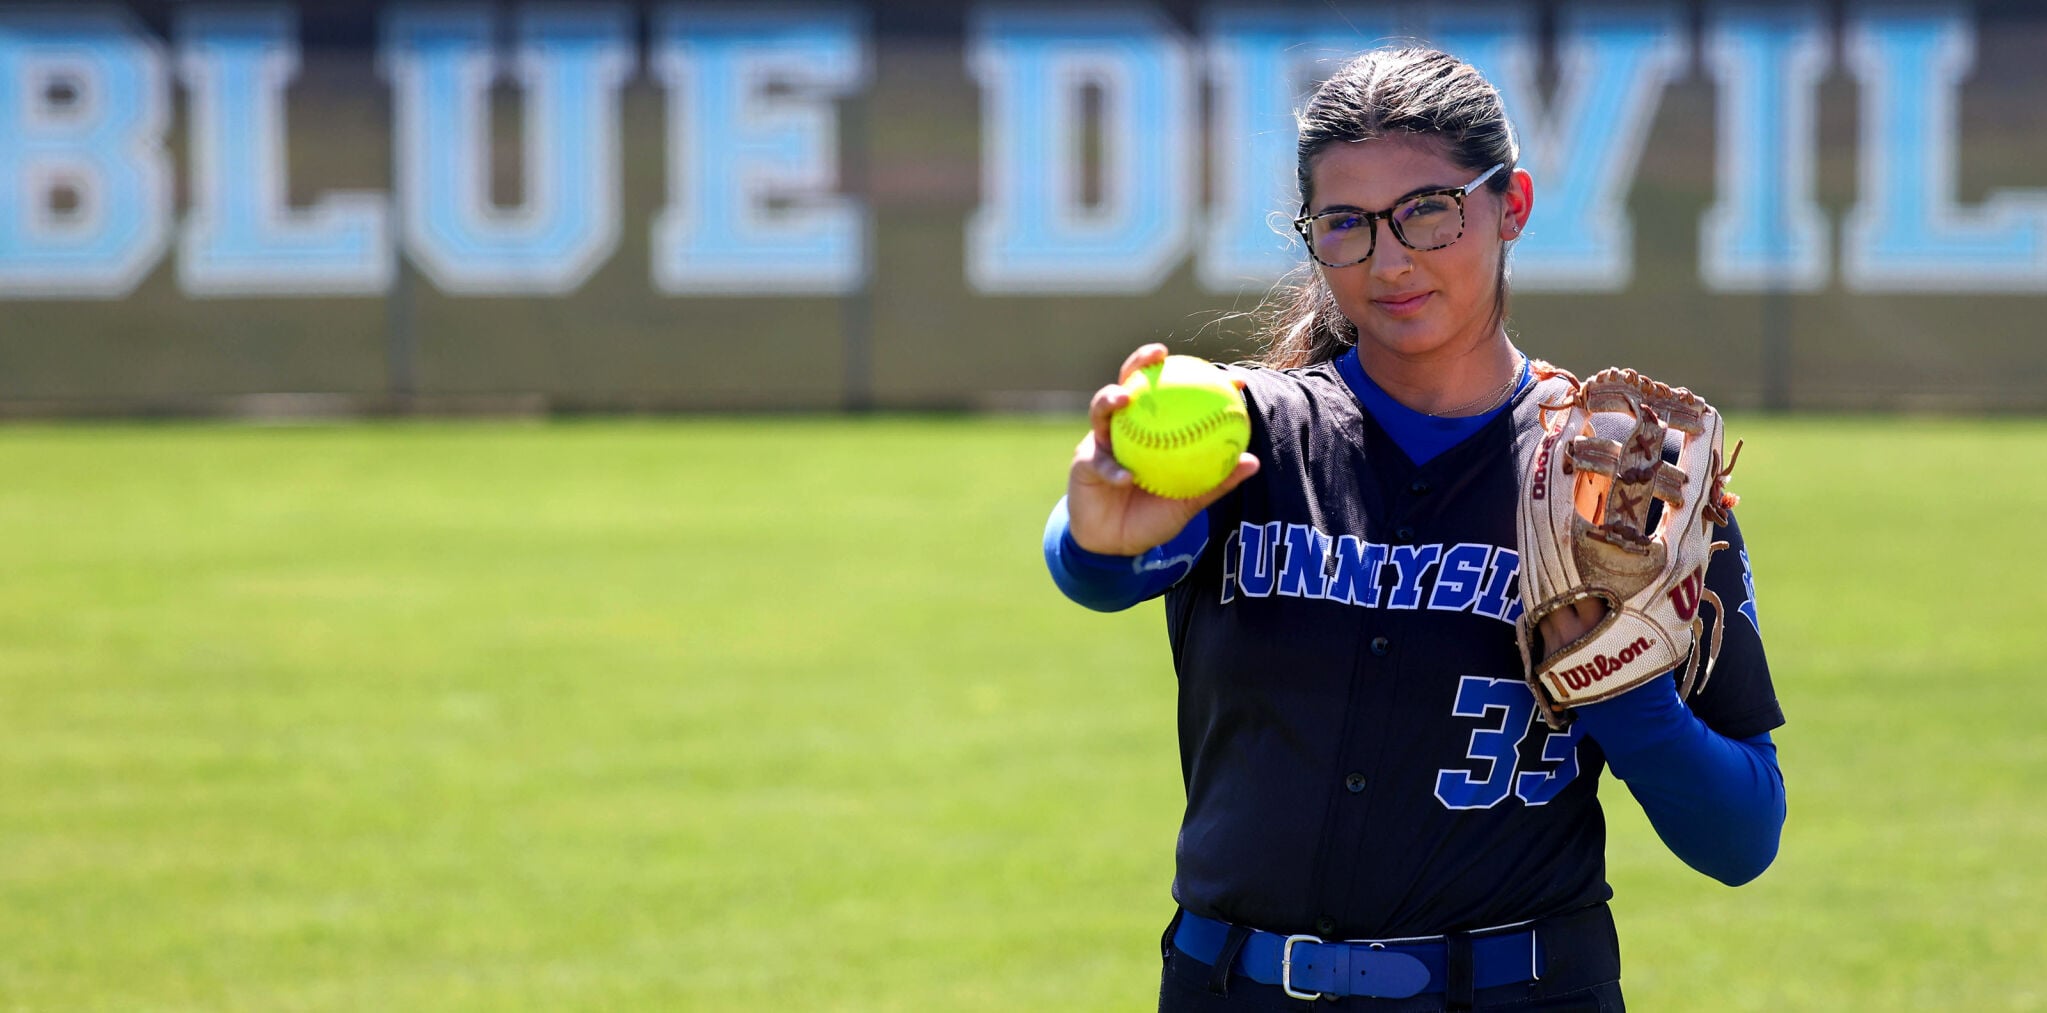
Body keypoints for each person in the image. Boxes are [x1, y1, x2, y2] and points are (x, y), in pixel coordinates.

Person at [1041, 47, 1786, 1012]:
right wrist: (1094, 538)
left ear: (1510, 204)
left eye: (1428, 209)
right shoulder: (1249, 435)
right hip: (1234, 986)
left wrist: (1626, 693)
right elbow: (1096, 569)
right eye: (1345, 225)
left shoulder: (1623, 484)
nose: (1389, 260)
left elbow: (1741, 839)